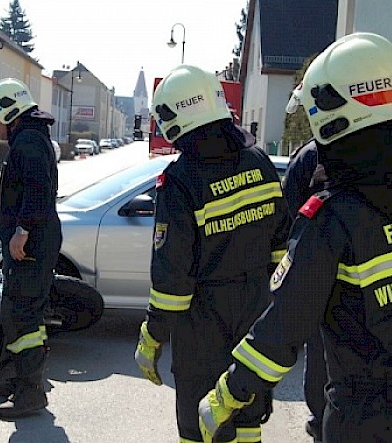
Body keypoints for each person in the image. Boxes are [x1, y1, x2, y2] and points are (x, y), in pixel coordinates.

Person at [199, 32, 392, 443]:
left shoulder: (333, 219)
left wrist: (230, 392)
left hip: (368, 421)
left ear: (337, 117)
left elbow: (283, 326)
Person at [133, 65, 291, 443]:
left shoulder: (180, 181)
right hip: (254, 316)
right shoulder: (260, 164)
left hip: (201, 327)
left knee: (199, 427)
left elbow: (172, 282)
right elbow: (281, 244)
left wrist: (151, 337)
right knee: (247, 420)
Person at [0, 78, 61, 420]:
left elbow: (38, 193)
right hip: (34, 241)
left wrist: (21, 231)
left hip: (32, 243)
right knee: (27, 315)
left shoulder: (27, 142)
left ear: (9, 111)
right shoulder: (30, 139)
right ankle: (27, 380)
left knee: (20, 314)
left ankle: (30, 394)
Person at [282, 141, 328, 442]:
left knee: (322, 352)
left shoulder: (309, 155)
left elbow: (289, 215)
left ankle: (321, 421)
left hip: (322, 275)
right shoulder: (390, 147)